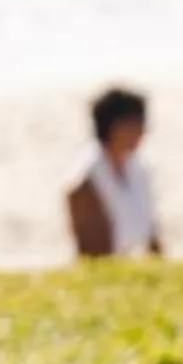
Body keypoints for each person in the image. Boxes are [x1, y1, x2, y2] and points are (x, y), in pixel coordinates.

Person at [68, 87, 164, 260]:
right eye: (137, 123)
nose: (143, 131)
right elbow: (93, 253)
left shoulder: (140, 170)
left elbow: (152, 233)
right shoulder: (85, 180)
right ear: (115, 127)